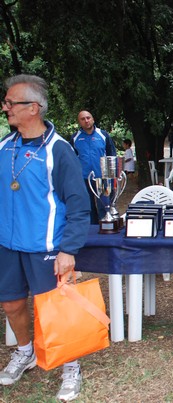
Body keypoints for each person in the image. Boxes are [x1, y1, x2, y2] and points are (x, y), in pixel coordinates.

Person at [0, 74, 90, 401]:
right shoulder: (5, 147)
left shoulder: (59, 150)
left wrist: (69, 249)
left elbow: (79, 205)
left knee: (56, 310)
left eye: (12, 103)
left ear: (33, 108)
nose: (5, 107)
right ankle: (25, 352)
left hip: (46, 246)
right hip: (8, 246)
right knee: (10, 303)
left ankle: (70, 366)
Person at [71, 109, 116, 224]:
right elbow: (71, 158)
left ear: (93, 119)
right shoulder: (75, 138)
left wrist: (113, 177)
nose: (86, 121)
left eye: (88, 118)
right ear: (79, 122)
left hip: (103, 177)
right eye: (83, 119)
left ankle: (105, 227)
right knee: (88, 206)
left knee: (104, 205)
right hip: (84, 178)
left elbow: (112, 155)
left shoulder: (103, 135)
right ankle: (93, 230)